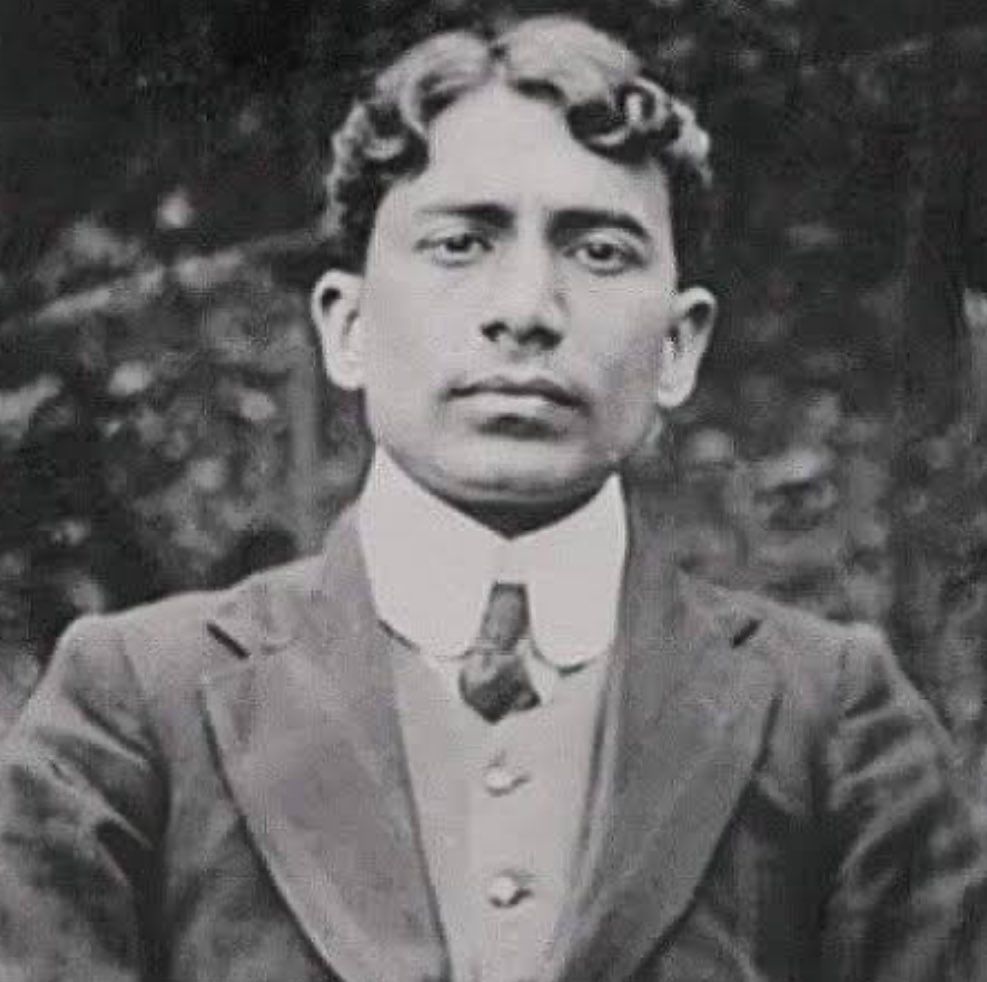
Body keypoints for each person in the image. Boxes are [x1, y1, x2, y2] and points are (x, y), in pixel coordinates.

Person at [1, 12, 986, 982]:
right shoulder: (134, 711)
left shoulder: (837, 726)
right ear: (346, 326)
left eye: (599, 251)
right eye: (459, 243)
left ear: (678, 346)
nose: (525, 310)